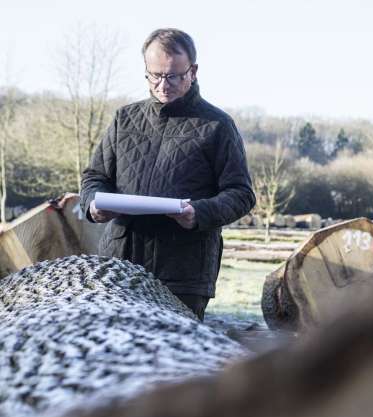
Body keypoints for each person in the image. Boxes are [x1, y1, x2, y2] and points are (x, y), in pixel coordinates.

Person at [80, 28, 256, 321]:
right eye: (154, 75)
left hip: (183, 275)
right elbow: (94, 177)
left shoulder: (218, 125)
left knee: (175, 366)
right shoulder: (124, 119)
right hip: (118, 268)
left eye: (173, 76)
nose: (163, 85)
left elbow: (241, 194)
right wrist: (92, 205)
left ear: (193, 71)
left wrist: (199, 213)